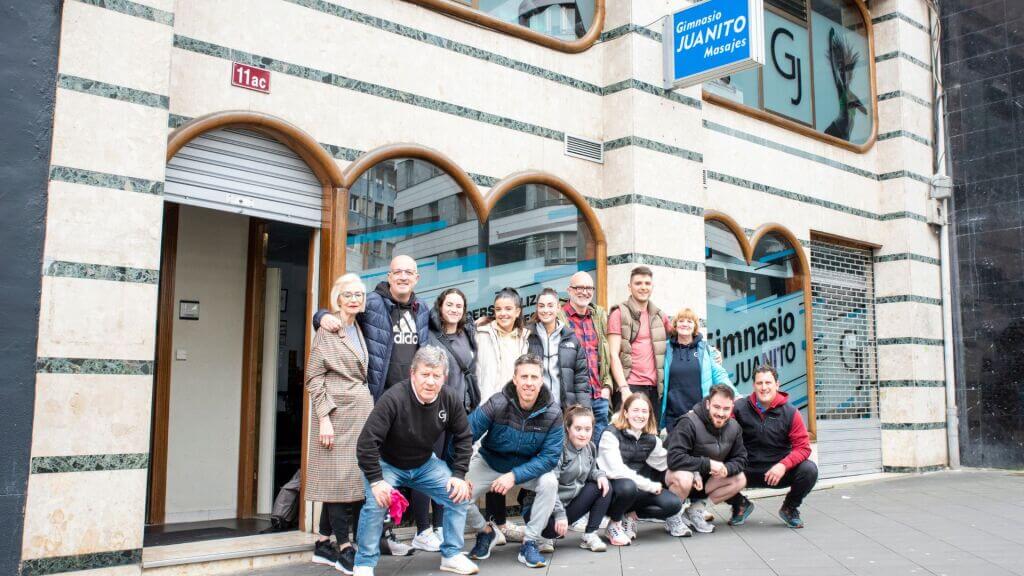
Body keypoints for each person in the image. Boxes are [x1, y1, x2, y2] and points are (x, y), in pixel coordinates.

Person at [315, 255, 435, 552]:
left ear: (417, 278)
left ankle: (337, 536)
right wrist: (320, 316)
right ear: (389, 276)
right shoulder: (373, 303)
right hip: (375, 401)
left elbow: (448, 323)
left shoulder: (422, 310)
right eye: (398, 272)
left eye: (409, 272)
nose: (403, 277)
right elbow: (344, 308)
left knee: (384, 467)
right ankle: (362, 537)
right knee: (365, 469)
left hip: (408, 402)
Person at [353, 346, 478, 576]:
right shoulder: (393, 398)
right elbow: (366, 443)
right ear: (413, 373)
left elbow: (464, 437)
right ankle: (364, 564)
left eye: (436, 376)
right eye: (425, 374)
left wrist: (459, 475)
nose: (430, 382)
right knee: (375, 503)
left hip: (423, 463)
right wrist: (376, 481)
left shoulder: (449, 398)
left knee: (459, 495)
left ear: (444, 378)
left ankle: (451, 555)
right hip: (387, 464)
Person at [465, 354, 562, 569]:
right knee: (456, 493)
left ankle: (530, 542)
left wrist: (514, 476)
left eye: (534, 377)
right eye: (524, 376)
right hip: (490, 462)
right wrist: (456, 473)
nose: (529, 382)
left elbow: (550, 458)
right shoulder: (497, 403)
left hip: (527, 466)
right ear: (515, 379)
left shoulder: (553, 412)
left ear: (541, 380)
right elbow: (466, 434)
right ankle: (485, 532)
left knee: (549, 482)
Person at [305, 273, 373, 573]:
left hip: (359, 413)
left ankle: (323, 541)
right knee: (335, 480)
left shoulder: (359, 325)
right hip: (336, 413)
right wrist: (324, 418)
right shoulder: (327, 328)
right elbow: (313, 377)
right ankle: (344, 546)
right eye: (349, 294)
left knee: (353, 478)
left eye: (359, 294)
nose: (355, 299)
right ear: (338, 297)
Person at [422, 288, 481, 543]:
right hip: (432, 410)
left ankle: (440, 526)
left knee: (448, 470)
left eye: (459, 305)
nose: (454, 309)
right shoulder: (429, 334)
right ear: (440, 307)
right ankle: (423, 529)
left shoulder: (468, 334)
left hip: (459, 413)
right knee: (428, 466)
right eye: (450, 304)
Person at [727, 364, 817, 529]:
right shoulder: (739, 408)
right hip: (745, 470)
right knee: (711, 467)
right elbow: (719, 427)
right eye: (759, 383)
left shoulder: (791, 413)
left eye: (768, 383)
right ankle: (739, 505)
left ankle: (790, 508)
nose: (764, 387)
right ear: (753, 385)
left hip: (777, 472)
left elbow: (803, 447)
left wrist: (783, 465)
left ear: (777, 385)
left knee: (809, 470)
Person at [474, 287, 531, 545]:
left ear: (518, 311)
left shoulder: (526, 338)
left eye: (509, 309)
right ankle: (485, 524)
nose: (503, 313)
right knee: (484, 462)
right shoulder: (481, 333)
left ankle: (499, 522)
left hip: (515, 409)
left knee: (503, 462)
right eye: (498, 309)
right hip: (487, 406)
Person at [597, 393, 688, 545]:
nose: (640, 415)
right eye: (636, 410)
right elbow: (617, 471)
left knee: (673, 504)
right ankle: (614, 524)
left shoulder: (650, 438)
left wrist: (694, 471)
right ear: (625, 412)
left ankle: (630, 516)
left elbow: (667, 461)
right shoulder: (610, 434)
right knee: (627, 486)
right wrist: (650, 486)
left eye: (644, 411)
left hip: (637, 492)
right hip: (612, 492)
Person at [524, 405, 611, 553]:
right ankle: (541, 536)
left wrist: (600, 475)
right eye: (578, 429)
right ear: (567, 428)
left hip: (568, 506)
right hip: (542, 509)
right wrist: (560, 515)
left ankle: (590, 535)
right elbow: (549, 485)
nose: (583, 434)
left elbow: (592, 471)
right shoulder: (558, 449)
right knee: (550, 531)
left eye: (587, 429)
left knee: (604, 486)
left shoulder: (590, 447)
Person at [665, 384, 748, 535]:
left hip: (704, 482)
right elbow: (673, 459)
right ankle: (673, 516)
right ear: (708, 404)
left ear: (732, 407)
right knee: (684, 477)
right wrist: (707, 464)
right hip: (675, 481)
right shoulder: (688, 422)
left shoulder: (734, 427)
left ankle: (695, 511)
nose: (721, 413)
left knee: (739, 479)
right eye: (717, 407)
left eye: (726, 409)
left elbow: (741, 458)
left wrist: (727, 469)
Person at [607, 266, 672, 424]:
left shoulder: (659, 316)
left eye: (647, 283)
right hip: (630, 386)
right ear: (630, 287)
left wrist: (710, 352)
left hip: (655, 389)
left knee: (651, 437)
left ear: (652, 287)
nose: (643, 287)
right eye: (638, 283)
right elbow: (613, 354)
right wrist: (623, 389)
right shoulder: (619, 314)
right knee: (625, 437)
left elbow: (683, 336)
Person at [557, 271, 613, 445]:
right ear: (569, 290)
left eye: (589, 288)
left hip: (599, 396)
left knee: (600, 450)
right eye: (579, 287)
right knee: (573, 448)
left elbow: (608, 355)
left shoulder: (599, 317)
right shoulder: (559, 317)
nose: (584, 292)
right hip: (572, 398)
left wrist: (607, 386)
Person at [661, 308, 733, 433]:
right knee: (676, 451)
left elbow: (718, 374)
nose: (685, 324)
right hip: (673, 416)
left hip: (700, 415)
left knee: (700, 451)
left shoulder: (705, 349)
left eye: (689, 321)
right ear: (675, 324)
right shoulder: (665, 349)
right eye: (681, 320)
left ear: (695, 326)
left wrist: (734, 394)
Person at [527, 288, 592, 409]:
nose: (545, 310)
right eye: (541, 306)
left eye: (550, 306)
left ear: (558, 308)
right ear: (537, 308)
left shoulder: (571, 338)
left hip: (564, 410)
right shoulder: (527, 336)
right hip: (535, 410)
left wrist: (585, 411)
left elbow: (581, 381)